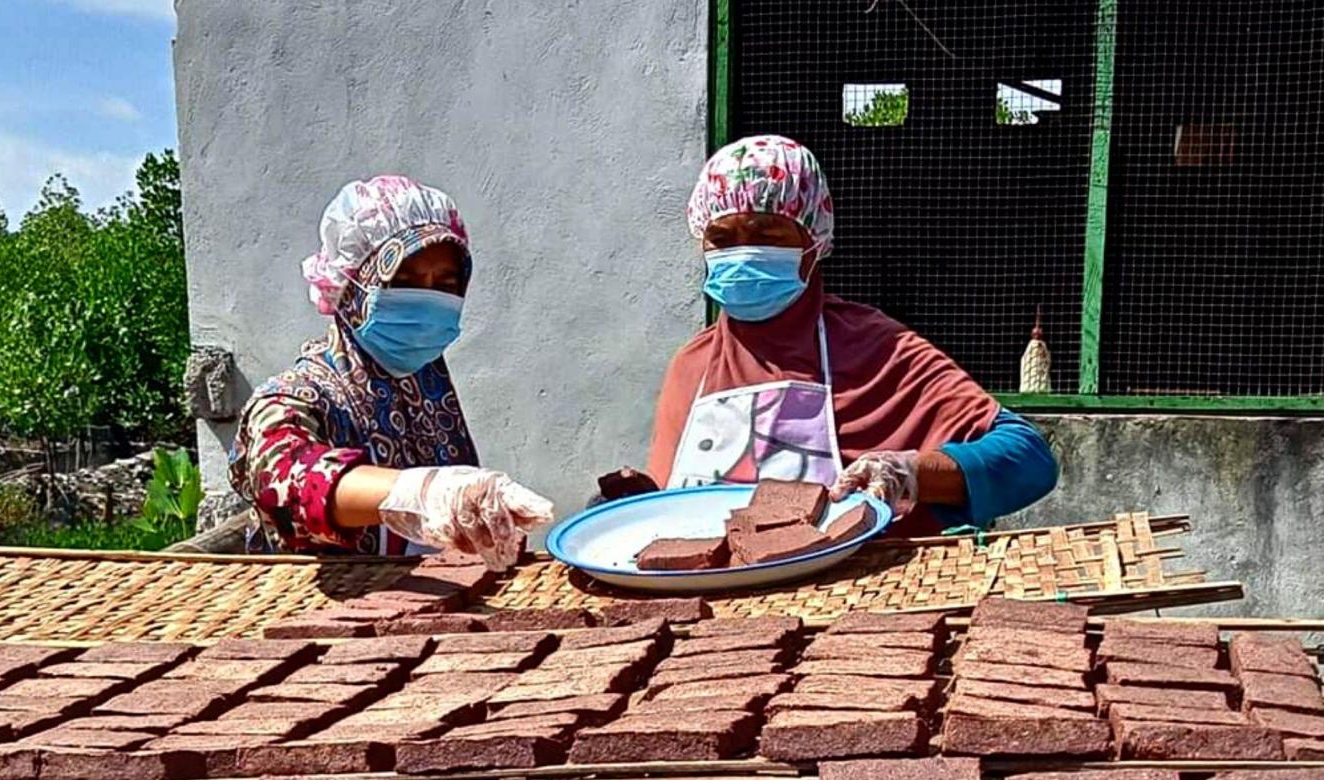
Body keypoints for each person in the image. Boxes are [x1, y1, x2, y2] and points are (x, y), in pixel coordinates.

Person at [647, 135, 1058, 536]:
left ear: (814, 241)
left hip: (861, 580)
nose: (742, 255)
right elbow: (662, 510)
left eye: (767, 237)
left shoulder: (875, 348)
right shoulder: (692, 366)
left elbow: (1028, 457)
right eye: (721, 240)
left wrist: (909, 473)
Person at [230, 175, 552, 566]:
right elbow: (283, 477)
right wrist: (420, 492)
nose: (428, 299)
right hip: (323, 600)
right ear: (352, 288)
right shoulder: (292, 397)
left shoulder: (427, 383)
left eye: (445, 284)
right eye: (404, 281)